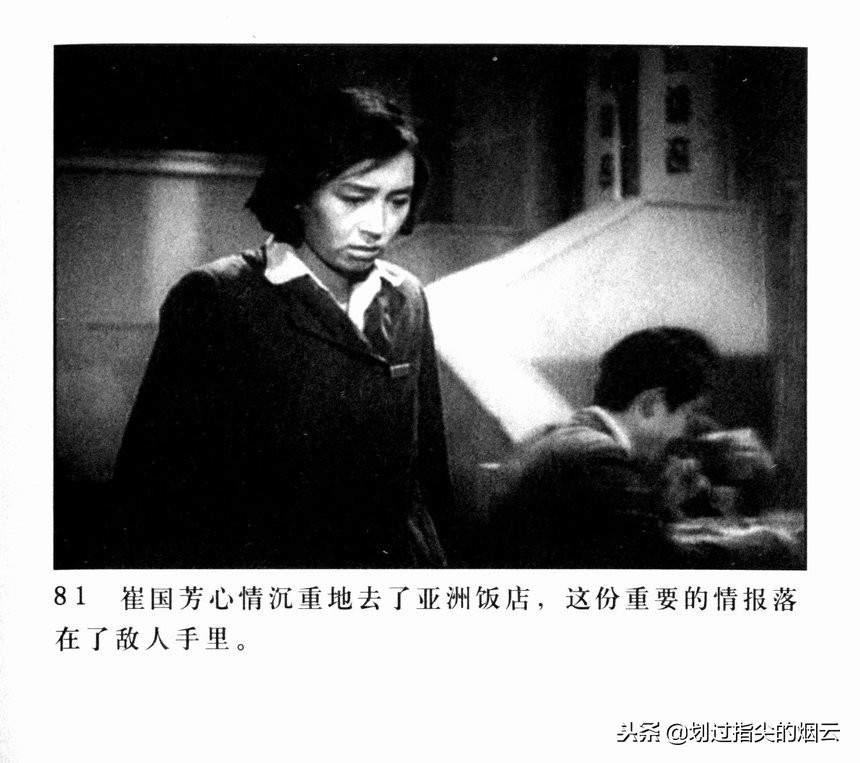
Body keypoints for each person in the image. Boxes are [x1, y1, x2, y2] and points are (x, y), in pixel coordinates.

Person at [114, 87, 451, 569]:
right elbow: (153, 492)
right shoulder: (217, 298)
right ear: (299, 193)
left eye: (398, 201)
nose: (378, 225)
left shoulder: (407, 297)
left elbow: (428, 475)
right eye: (354, 198)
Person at [489, 326, 768, 568]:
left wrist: (660, 503)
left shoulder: (560, 437)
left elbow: (615, 538)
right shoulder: (597, 457)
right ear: (649, 405)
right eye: (689, 412)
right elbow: (662, 563)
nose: (685, 430)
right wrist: (765, 541)